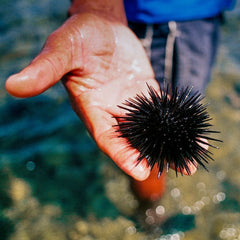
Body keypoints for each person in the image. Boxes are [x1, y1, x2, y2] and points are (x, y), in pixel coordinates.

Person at [5, 0, 235, 200]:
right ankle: (150, 211)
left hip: (204, 12)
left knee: (173, 119)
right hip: (162, 17)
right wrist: (97, 8)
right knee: (148, 153)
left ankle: (149, 207)